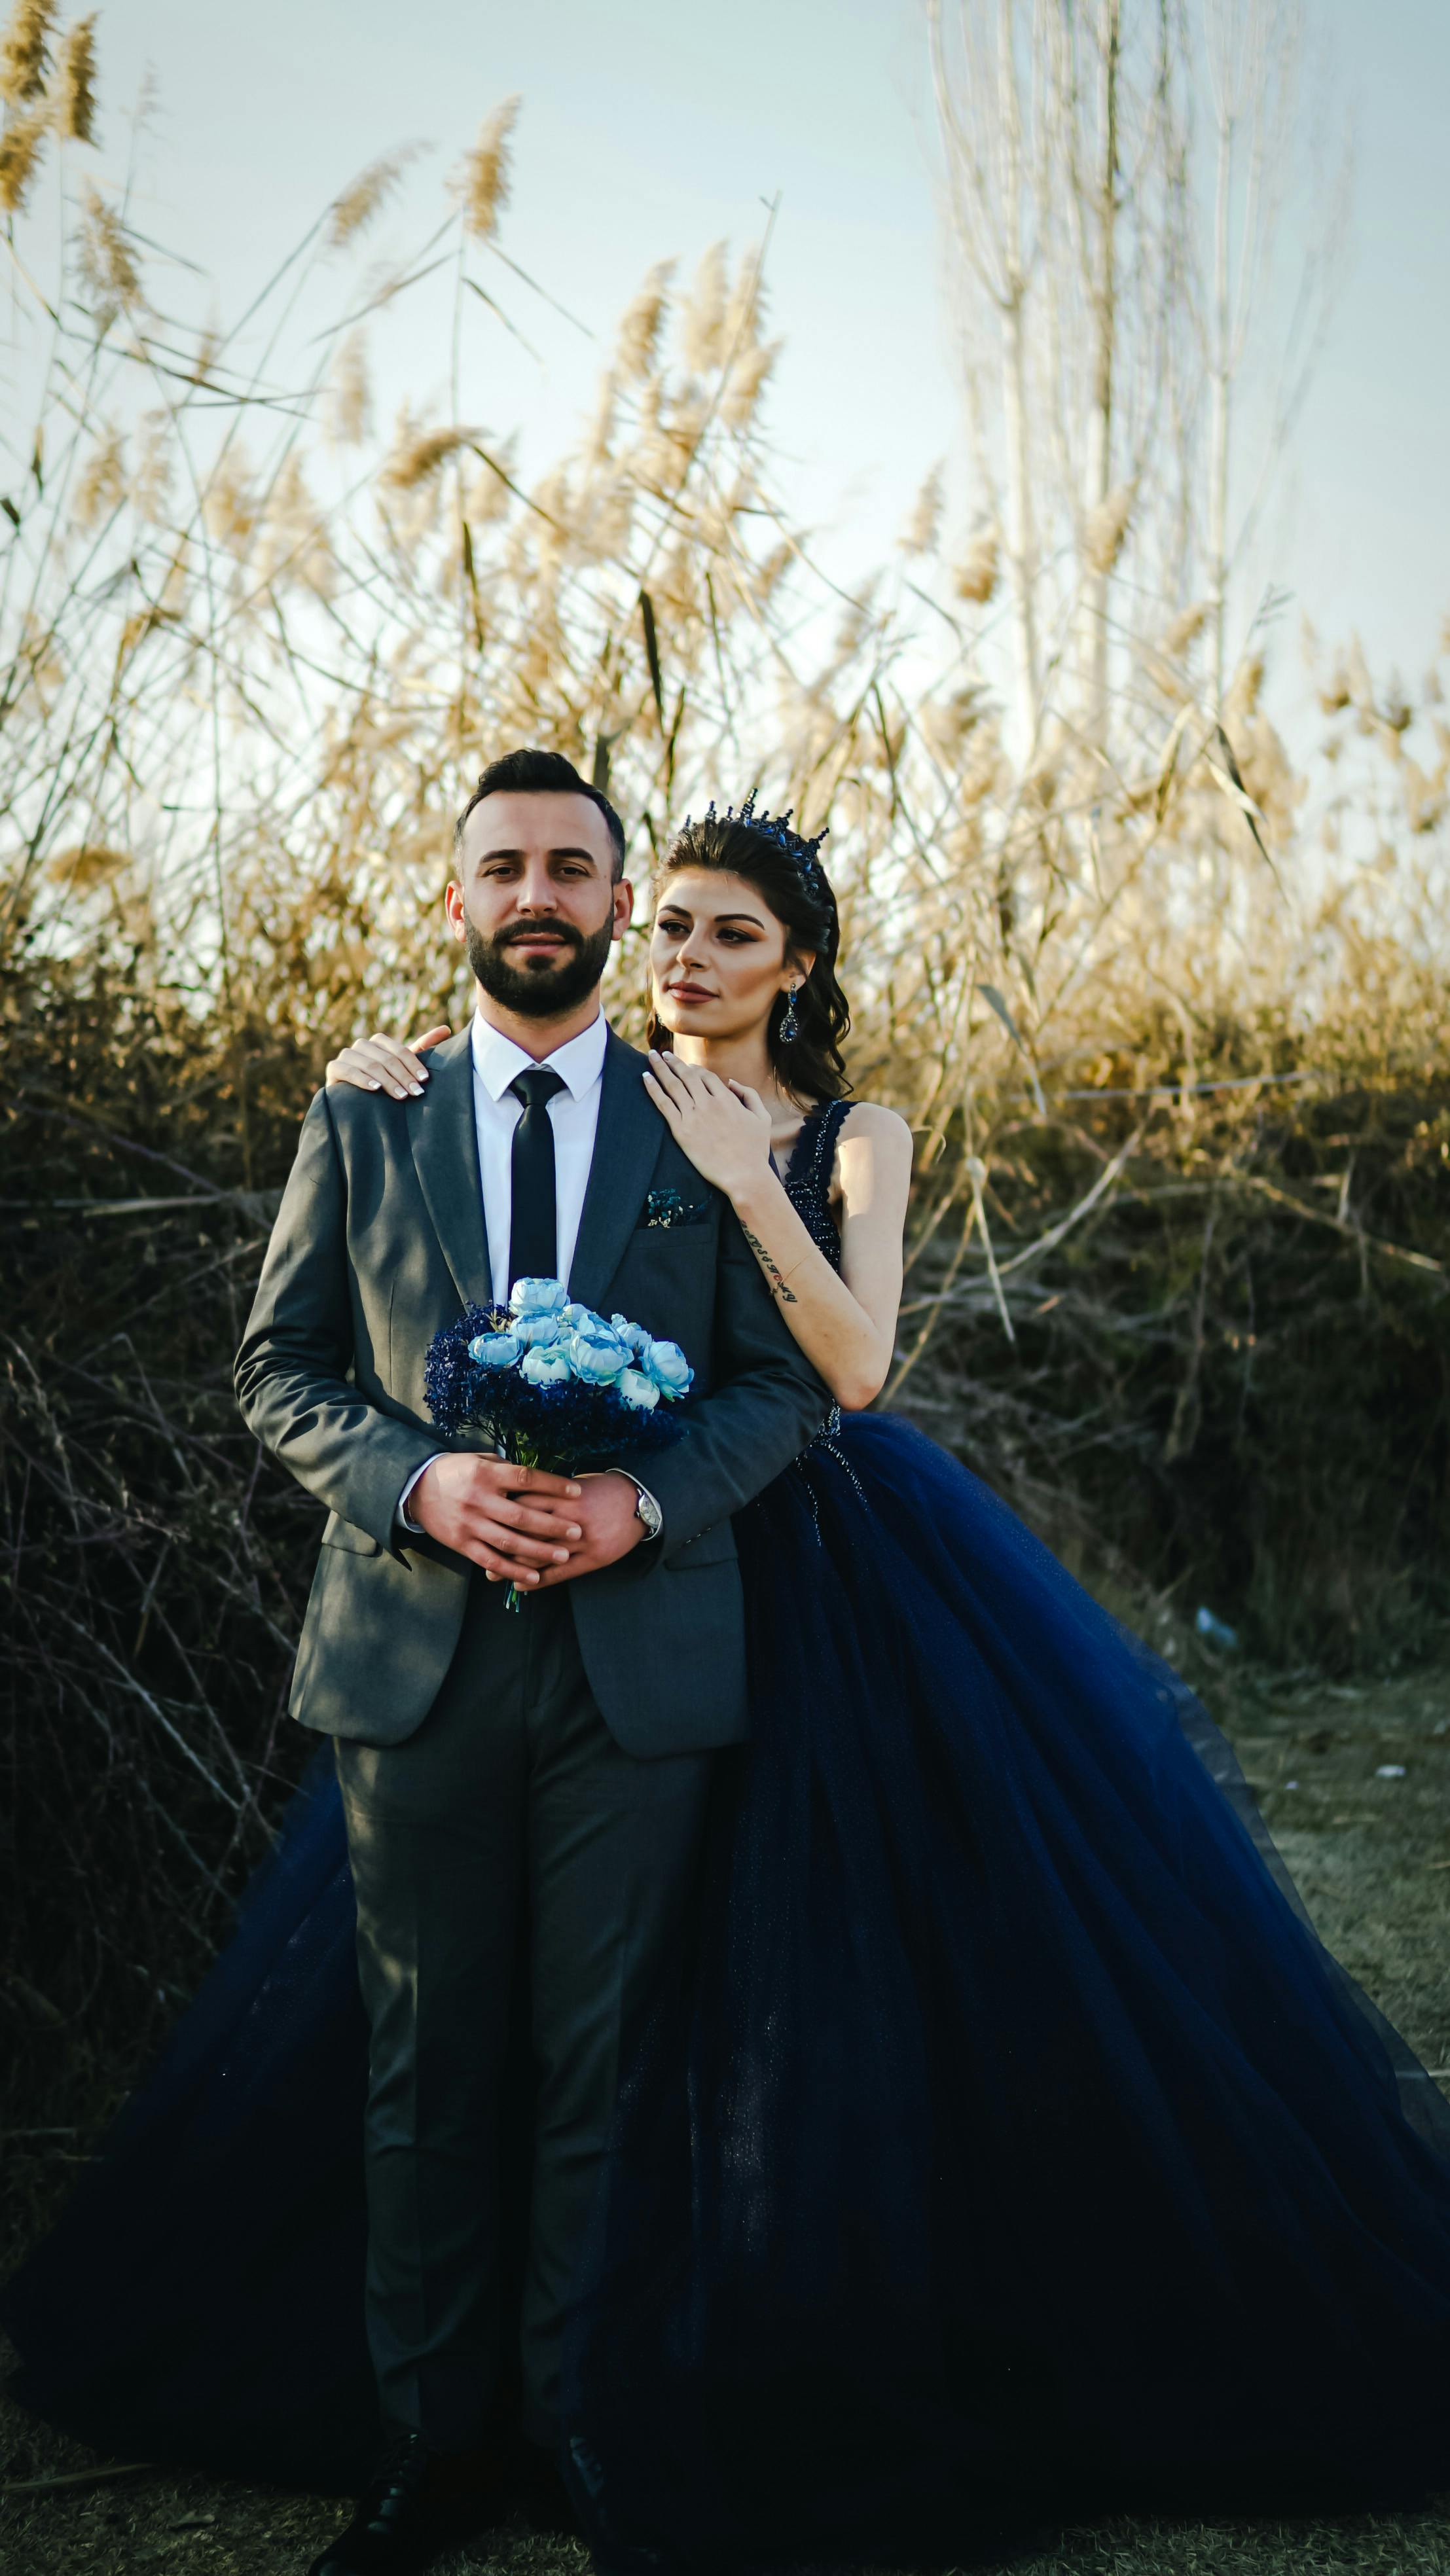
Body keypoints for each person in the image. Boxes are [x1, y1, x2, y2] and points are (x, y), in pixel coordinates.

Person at [7, 788, 1450, 2573]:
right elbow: (331, 1320)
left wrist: (740, 1185)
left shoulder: (816, 1127)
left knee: (782, 1993)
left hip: (786, 1574)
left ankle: (685, 2372)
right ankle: (456, 2422)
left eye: (723, 932)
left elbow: (840, 1368)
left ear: (795, 960)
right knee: (450, 2039)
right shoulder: (439, 1096)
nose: (687, 957)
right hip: (498, 1608)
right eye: (673, 926)